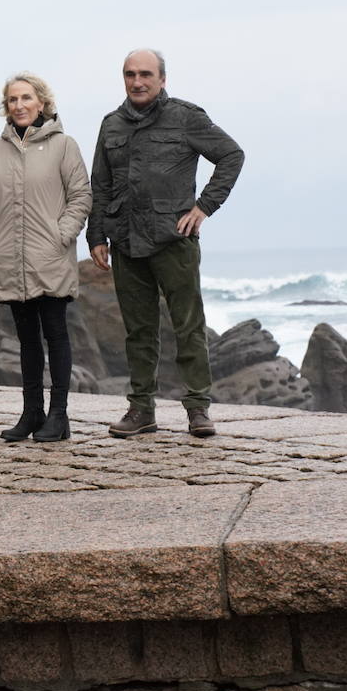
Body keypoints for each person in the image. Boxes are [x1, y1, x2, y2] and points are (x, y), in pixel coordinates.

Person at [88, 49, 245, 439]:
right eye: (129, 74)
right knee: (138, 332)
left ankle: (198, 409)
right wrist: (96, 235)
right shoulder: (111, 125)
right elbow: (100, 184)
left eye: (145, 74)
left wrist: (204, 207)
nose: (137, 81)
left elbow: (231, 155)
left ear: (162, 79)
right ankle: (141, 410)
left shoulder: (187, 117)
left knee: (188, 326)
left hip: (174, 239)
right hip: (125, 241)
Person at [0, 73, 92, 442]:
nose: (20, 105)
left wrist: (62, 235)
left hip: (50, 257)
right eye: (13, 100)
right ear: (6, 106)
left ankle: (59, 416)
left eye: (27, 98)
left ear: (41, 103)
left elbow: (81, 196)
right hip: (8, 259)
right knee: (26, 340)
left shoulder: (64, 146)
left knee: (55, 335)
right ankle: (31, 413)